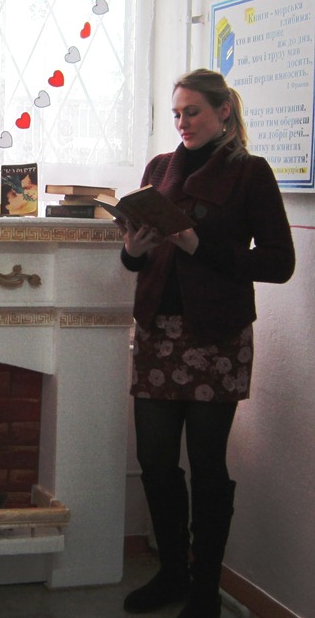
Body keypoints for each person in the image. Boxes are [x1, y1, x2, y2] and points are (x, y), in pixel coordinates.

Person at [119, 69, 294, 617]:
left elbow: (279, 263)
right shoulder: (159, 169)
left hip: (216, 336)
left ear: (223, 111)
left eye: (192, 112)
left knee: (207, 465)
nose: (182, 122)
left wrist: (199, 246)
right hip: (158, 331)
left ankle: (203, 591)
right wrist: (133, 250)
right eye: (176, 113)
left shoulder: (250, 172)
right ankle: (172, 573)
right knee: (154, 461)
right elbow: (138, 256)